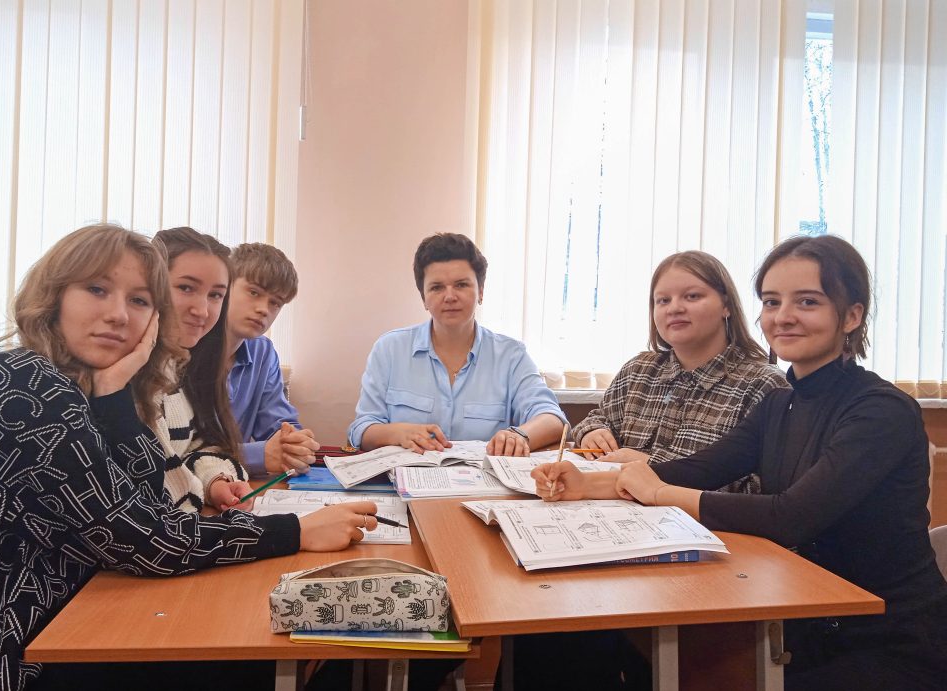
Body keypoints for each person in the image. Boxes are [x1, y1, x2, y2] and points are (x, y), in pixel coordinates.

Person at [0, 224, 378, 690]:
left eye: (139, 301)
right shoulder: (27, 387)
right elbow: (147, 538)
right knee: (267, 654)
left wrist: (113, 396)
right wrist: (296, 531)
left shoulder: (81, 384)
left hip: (50, 617)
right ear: (53, 295)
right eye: (96, 289)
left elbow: (153, 504)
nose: (118, 315)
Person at [534, 235, 947, 689]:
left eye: (807, 301)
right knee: (582, 644)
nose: (783, 316)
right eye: (772, 302)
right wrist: (587, 484)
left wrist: (660, 493)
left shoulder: (880, 410)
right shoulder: (780, 403)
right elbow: (697, 470)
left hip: (883, 635)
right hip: (799, 615)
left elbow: (791, 516)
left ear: (851, 316)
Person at [572, 250, 786, 492]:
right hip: (613, 506)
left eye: (692, 296)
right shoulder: (638, 370)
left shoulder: (764, 384)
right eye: (663, 300)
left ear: (726, 305)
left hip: (698, 516)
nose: (674, 308)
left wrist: (653, 467)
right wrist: (593, 432)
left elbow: (759, 489)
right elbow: (597, 418)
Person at [349, 232, 566, 456]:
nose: (450, 296)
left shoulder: (511, 355)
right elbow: (362, 429)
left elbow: (552, 418)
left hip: (484, 477)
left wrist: (519, 435)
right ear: (423, 298)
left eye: (461, 285)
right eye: (437, 287)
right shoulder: (390, 349)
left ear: (480, 292)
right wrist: (397, 433)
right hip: (405, 475)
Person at [151, 227, 253, 512]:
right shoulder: (123, 379)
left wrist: (215, 481)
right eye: (186, 288)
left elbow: (191, 446)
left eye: (216, 295)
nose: (202, 310)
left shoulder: (177, 367)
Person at [224, 242, 320, 478]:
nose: (264, 309)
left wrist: (295, 444)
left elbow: (279, 425)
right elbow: (183, 451)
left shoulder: (263, 352)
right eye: (254, 292)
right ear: (225, 286)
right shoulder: (186, 347)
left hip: (236, 486)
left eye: (275, 303)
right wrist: (258, 455)